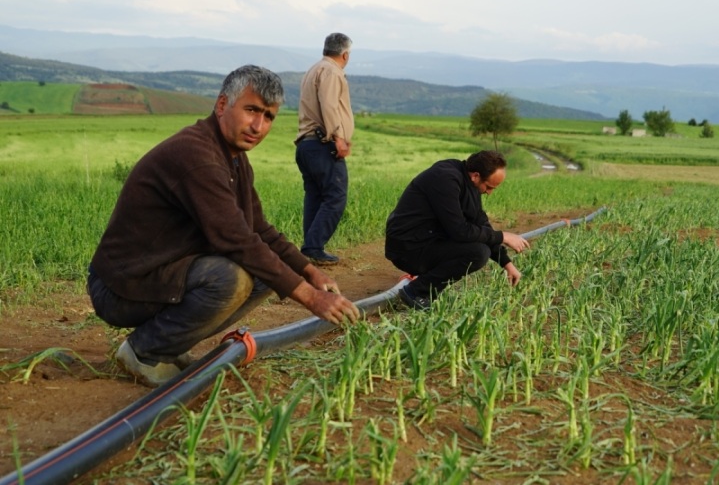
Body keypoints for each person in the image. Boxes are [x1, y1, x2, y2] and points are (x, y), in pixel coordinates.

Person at [88, 65, 360, 387]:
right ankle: (143, 351)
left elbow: (258, 229)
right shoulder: (197, 155)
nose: (258, 126)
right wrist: (311, 299)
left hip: (160, 273)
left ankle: (168, 347)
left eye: (269, 116)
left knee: (265, 272)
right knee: (228, 279)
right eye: (251, 110)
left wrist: (308, 271)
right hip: (121, 286)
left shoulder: (233, 159)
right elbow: (237, 240)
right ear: (221, 106)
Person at [384, 150, 530, 310]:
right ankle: (416, 291)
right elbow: (460, 231)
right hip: (408, 248)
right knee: (477, 253)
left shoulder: (469, 183)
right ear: (476, 176)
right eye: (489, 187)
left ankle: (423, 289)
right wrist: (503, 236)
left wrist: (507, 264)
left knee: (480, 246)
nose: (489, 192)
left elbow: (481, 224)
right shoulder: (445, 179)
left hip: (428, 240)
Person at [294, 32, 355, 265]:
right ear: (345, 54)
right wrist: (338, 137)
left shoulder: (314, 69)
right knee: (335, 196)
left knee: (316, 196)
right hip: (323, 144)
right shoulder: (331, 71)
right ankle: (313, 246)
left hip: (306, 144)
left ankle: (310, 247)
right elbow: (329, 106)